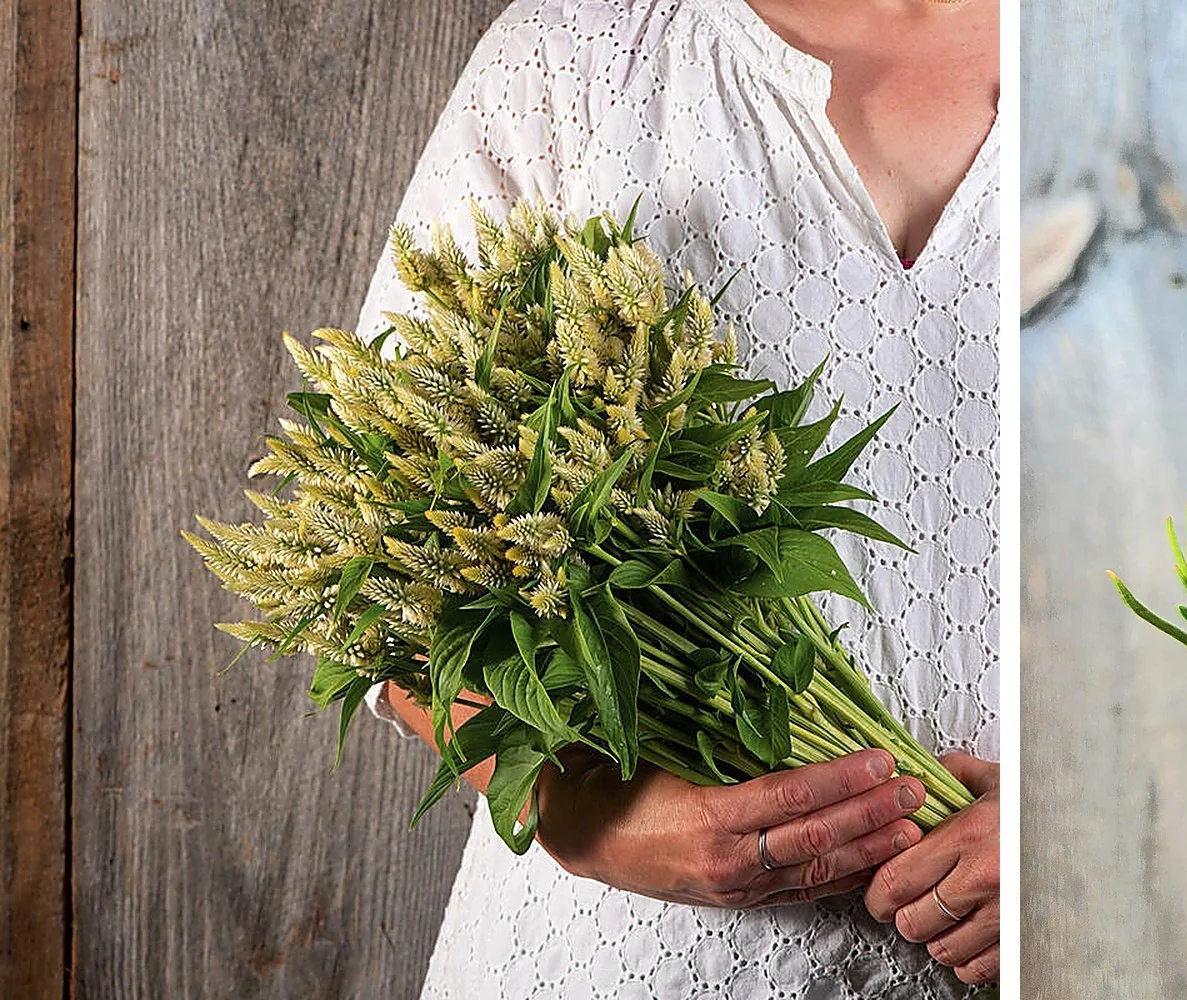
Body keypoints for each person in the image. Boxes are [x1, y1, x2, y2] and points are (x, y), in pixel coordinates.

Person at [357, 1, 1002, 995]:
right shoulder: (582, 55)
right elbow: (385, 561)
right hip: (626, 964)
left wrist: (1118, 831)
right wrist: (588, 819)